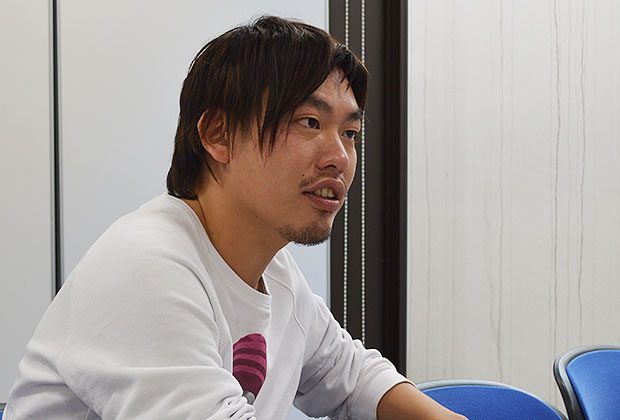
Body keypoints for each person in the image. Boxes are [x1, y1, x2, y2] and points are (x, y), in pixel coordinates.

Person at [5, 16, 465, 420]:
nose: (339, 158)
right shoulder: (146, 265)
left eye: (350, 132)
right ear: (218, 135)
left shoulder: (274, 271)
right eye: (309, 122)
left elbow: (351, 377)